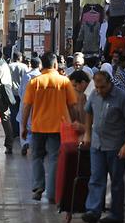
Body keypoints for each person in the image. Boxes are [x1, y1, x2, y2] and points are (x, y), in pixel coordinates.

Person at [20, 53, 80, 203]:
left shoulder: (35, 82)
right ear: (55, 65)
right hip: (58, 127)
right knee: (54, 159)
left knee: (37, 157)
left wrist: (23, 126)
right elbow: (72, 105)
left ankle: (38, 186)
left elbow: (26, 106)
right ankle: (53, 193)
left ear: (42, 65)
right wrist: (75, 121)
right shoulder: (64, 81)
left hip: (38, 126)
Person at [80, 71, 125, 223]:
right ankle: (93, 211)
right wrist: (87, 134)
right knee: (96, 179)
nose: (99, 90)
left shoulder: (121, 97)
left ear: (109, 83)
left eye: (102, 87)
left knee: (117, 181)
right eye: (97, 87)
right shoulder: (94, 94)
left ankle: (116, 214)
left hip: (115, 146)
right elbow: (88, 112)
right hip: (97, 145)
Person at [17, 57, 42, 156]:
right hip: (37, 105)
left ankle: (25, 142)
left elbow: (20, 91)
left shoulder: (26, 76)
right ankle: (34, 143)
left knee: (23, 124)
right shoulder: (41, 76)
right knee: (34, 125)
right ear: (40, 65)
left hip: (25, 104)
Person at [8, 52, 30, 139]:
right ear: (20, 58)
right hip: (22, 92)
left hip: (12, 92)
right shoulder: (24, 66)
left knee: (13, 112)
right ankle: (21, 129)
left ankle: (14, 131)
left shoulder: (9, 66)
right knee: (21, 111)